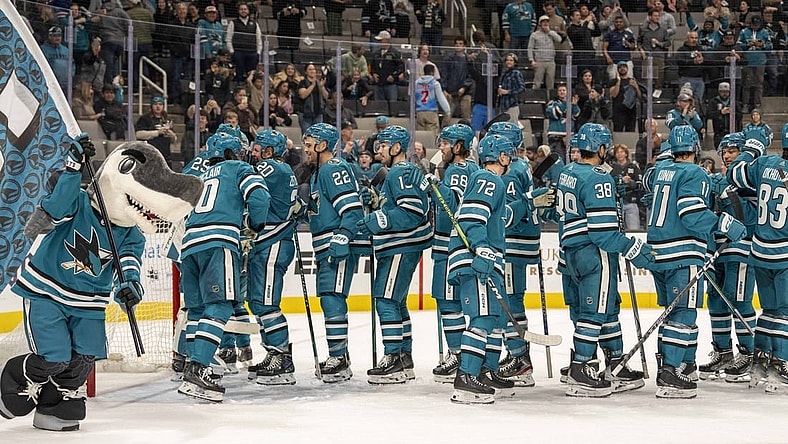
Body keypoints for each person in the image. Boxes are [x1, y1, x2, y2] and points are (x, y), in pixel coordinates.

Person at [0, 137, 202, 429]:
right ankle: (16, 381)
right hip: (48, 291)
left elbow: (130, 264)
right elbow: (54, 210)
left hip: (90, 302)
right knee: (54, 357)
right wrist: (73, 168)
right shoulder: (79, 202)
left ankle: (56, 405)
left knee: (84, 357)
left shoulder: (132, 232)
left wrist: (130, 286)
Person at [550, 123, 652, 397]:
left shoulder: (567, 172)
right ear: (602, 148)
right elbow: (604, 234)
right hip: (593, 253)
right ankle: (581, 368)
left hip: (569, 251)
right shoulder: (599, 179)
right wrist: (635, 250)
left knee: (607, 309)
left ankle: (614, 364)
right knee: (593, 313)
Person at [647, 125, 746, 399]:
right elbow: (691, 213)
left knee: (672, 312)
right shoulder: (695, 172)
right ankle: (670, 371)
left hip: (658, 251)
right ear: (696, 148)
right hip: (682, 252)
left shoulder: (660, 172)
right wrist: (725, 222)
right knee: (684, 314)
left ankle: (683, 365)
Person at [178, 135, 271, 402]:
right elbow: (259, 196)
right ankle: (199, 369)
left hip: (189, 243)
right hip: (218, 241)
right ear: (231, 152)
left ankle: (192, 365)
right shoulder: (238, 168)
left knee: (197, 310)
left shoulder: (200, 176)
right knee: (220, 305)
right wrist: (255, 225)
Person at [355, 126, 431, 384]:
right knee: (396, 302)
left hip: (401, 245)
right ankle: (404, 357)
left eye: (383, 146)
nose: (378, 151)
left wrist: (377, 217)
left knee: (385, 300)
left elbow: (412, 211)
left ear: (397, 147)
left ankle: (394, 358)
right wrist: (377, 202)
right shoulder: (396, 174)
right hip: (400, 246)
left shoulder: (402, 172)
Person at [442, 133, 515, 404]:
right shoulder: (489, 179)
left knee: (497, 319)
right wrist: (483, 249)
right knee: (483, 318)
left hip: (484, 256)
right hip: (476, 258)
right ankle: (467, 377)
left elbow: (496, 218)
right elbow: (473, 218)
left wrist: (528, 202)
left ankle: (486, 371)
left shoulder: (492, 183)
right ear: (503, 157)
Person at [487, 122, 552, 388]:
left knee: (510, 302)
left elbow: (511, 214)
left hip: (514, 244)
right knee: (512, 299)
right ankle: (517, 354)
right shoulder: (521, 165)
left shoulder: (511, 172)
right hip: (523, 242)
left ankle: (519, 359)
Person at [302, 123, 367, 382]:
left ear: (322, 145)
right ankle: (339, 355)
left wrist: (343, 236)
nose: (304, 149)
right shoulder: (319, 173)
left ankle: (339, 359)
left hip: (335, 245)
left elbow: (351, 209)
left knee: (332, 298)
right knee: (328, 297)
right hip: (324, 245)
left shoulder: (334, 168)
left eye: (309, 145)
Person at [241, 130, 302, 385]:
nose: (253, 153)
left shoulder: (268, 167)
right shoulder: (284, 169)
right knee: (257, 302)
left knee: (265, 303)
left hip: (273, 242)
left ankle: (282, 359)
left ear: (268, 151)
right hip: (271, 242)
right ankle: (272, 352)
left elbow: (252, 193)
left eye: (257, 149)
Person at [697, 132, 757, 382]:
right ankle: (723, 352)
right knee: (717, 301)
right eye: (725, 151)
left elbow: (752, 217)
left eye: (734, 150)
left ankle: (749, 353)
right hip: (717, 251)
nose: (729, 155)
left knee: (739, 299)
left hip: (741, 249)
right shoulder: (716, 181)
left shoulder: (751, 181)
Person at [427, 124, 479, 383]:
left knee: (449, 303)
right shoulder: (469, 169)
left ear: (458, 147)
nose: (441, 147)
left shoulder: (458, 170)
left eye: (446, 143)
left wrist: (435, 185)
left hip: (450, 247)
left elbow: (453, 205)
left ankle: (458, 355)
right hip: (460, 246)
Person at [736, 16, 771, 114]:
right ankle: (745, 105)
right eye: (754, 25)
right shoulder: (744, 32)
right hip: (748, 61)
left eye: (757, 25)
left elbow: (770, 46)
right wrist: (748, 45)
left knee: (759, 84)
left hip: (760, 62)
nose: (755, 27)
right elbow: (738, 44)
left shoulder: (765, 32)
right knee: (746, 84)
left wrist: (762, 45)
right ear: (750, 24)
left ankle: (757, 105)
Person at [135, 96, 178, 167]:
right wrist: (157, 133)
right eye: (155, 104)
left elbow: (174, 139)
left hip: (165, 156)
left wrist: (172, 135)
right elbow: (138, 134)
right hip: (150, 155)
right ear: (151, 106)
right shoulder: (144, 119)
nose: (158, 106)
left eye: (160, 104)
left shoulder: (167, 119)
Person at [609, 144, 643, 231]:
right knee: (616, 230)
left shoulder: (633, 167)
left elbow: (640, 185)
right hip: (616, 204)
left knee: (634, 230)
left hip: (631, 202)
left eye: (622, 152)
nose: (619, 154)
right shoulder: (611, 168)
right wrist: (619, 181)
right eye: (617, 152)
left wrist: (630, 182)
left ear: (626, 153)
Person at [226, 3, 262, 83]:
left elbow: (258, 39)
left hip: (252, 53)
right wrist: (232, 51)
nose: (243, 11)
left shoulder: (254, 24)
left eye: (245, 9)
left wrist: (258, 52)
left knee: (251, 75)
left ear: (248, 11)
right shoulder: (233, 23)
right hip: (238, 52)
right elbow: (228, 38)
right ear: (238, 11)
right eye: (241, 9)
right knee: (239, 74)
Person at [440, 37, 473, 123]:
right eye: (456, 44)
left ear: (465, 46)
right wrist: (444, 89)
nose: (458, 46)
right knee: (447, 117)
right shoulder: (448, 59)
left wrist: (464, 87)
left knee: (467, 118)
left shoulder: (468, 60)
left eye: (460, 44)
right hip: (451, 92)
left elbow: (470, 76)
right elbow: (444, 74)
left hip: (465, 92)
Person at [638, 8, 671, 90]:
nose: (657, 17)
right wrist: (641, 50)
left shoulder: (663, 30)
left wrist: (659, 43)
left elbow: (668, 43)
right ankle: (647, 98)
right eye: (655, 16)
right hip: (647, 57)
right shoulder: (643, 29)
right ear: (650, 17)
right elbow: (638, 42)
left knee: (659, 81)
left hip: (659, 57)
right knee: (646, 80)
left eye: (658, 16)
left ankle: (657, 99)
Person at [545, 84, 580, 159]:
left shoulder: (571, 104)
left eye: (564, 90)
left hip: (569, 135)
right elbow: (556, 114)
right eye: (560, 90)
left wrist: (574, 105)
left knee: (570, 158)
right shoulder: (552, 103)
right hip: (555, 136)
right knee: (557, 159)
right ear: (557, 93)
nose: (562, 92)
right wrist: (565, 103)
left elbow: (576, 115)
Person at [527, 16, 562, 91]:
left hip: (551, 62)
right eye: (543, 21)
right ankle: (534, 98)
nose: (545, 23)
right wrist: (531, 60)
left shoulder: (552, 33)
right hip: (539, 61)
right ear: (540, 24)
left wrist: (549, 31)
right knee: (537, 82)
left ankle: (550, 100)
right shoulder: (534, 35)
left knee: (550, 83)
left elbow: (559, 39)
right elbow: (530, 48)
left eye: (547, 21)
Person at [415, 64, 451, 135]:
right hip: (431, 111)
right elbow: (441, 98)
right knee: (432, 135)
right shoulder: (435, 83)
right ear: (432, 72)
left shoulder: (417, 83)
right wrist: (447, 111)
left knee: (421, 135)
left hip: (420, 112)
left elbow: (414, 97)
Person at [369, 31, 405, 102]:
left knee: (392, 105)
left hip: (390, 85)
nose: (379, 42)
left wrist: (393, 76)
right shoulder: (376, 53)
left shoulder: (395, 53)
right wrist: (373, 74)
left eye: (381, 40)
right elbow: (372, 66)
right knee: (379, 106)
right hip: (379, 83)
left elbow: (401, 67)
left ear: (387, 40)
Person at [295, 64, 330, 135]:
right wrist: (312, 85)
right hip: (305, 114)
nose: (312, 71)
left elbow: (326, 96)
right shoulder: (302, 83)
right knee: (307, 135)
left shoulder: (319, 83)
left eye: (313, 69)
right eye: (310, 69)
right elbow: (303, 95)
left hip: (318, 113)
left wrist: (321, 87)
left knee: (317, 136)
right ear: (306, 72)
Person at [601, 15, 636, 81]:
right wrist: (608, 58)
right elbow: (604, 48)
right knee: (613, 80)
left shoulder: (629, 34)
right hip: (614, 62)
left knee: (629, 81)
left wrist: (629, 45)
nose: (618, 23)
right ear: (614, 23)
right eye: (616, 22)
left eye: (620, 22)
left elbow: (633, 47)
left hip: (626, 61)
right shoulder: (609, 34)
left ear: (623, 23)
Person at [707, 82, 740, 149]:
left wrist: (732, 113)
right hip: (719, 133)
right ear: (719, 92)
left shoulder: (733, 102)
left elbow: (740, 115)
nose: (724, 94)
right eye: (722, 92)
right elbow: (709, 114)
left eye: (726, 92)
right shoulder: (714, 101)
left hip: (732, 132)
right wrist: (720, 112)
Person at [40, 26, 71, 94]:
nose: (58, 38)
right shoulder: (42, 49)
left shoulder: (66, 50)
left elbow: (72, 64)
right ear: (49, 37)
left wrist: (71, 75)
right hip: (50, 84)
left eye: (59, 35)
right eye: (55, 36)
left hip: (65, 85)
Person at [497, 53, 527, 124]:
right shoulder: (504, 73)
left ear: (515, 62)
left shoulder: (516, 73)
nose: (509, 62)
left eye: (511, 60)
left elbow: (522, 88)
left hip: (512, 105)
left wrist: (508, 92)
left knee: (512, 127)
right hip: (503, 105)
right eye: (507, 60)